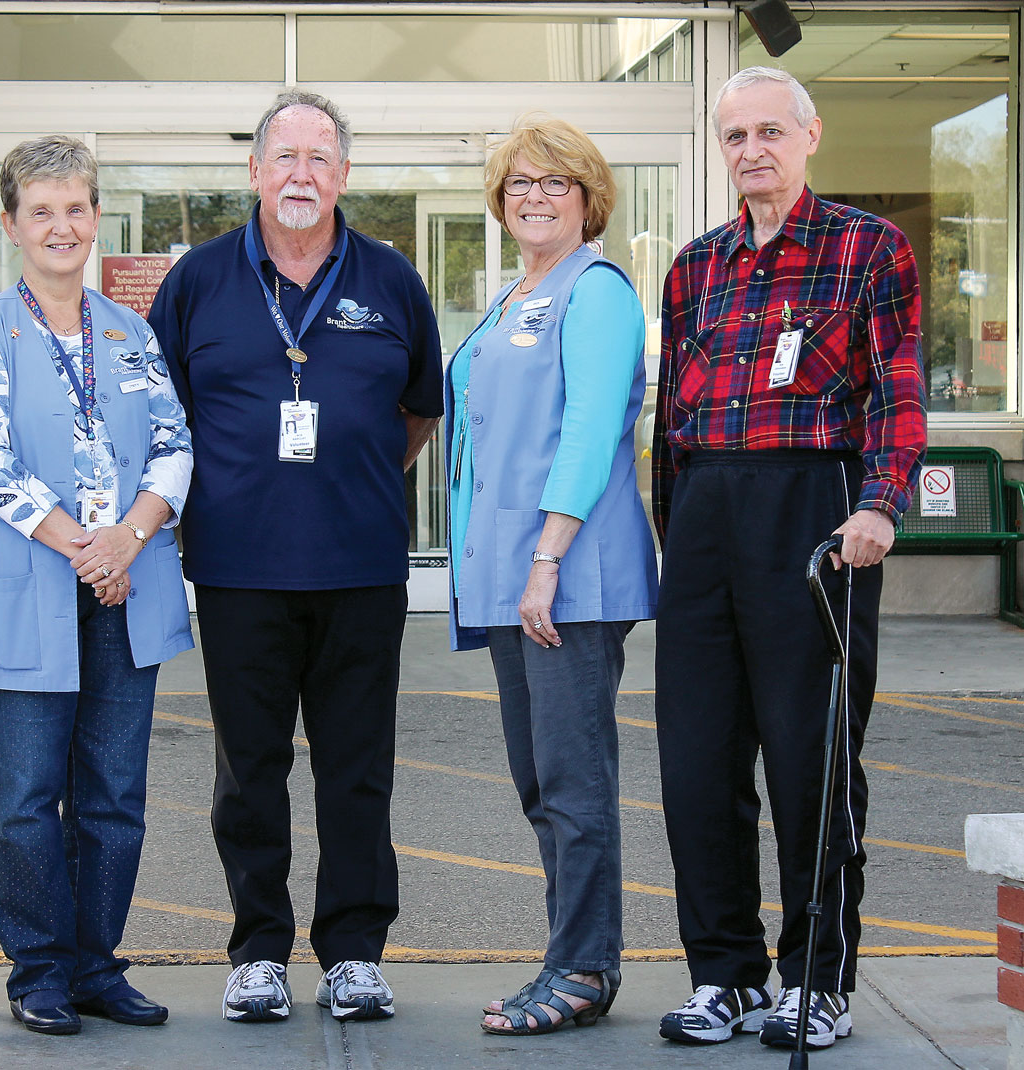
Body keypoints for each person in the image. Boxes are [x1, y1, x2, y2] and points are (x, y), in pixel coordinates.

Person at [147, 90, 443, 1024]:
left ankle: (353, 953)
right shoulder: (196, 281)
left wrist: (345, 479)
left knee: (358, 768)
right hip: (238, 571)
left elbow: (419, 414)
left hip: (360, 569)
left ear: (345, 176)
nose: (302, 175)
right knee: (251, 769)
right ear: (255, 172)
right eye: (286, 157)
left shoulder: (391, 280)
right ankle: (258, 951)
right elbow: (167, 421)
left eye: (321, 158)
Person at [651, 67, 926, 1051]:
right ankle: (723, 974)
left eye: (770, 130)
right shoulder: (695, 266)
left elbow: (897, 389)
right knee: (696, 765)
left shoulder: (867, 248)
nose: (751, 150)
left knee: (810, 763)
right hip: (704, 520)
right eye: (734, 136)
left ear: (810, 135)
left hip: (812, 514)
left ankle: (818, 979)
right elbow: (670, 423)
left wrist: (880, 503)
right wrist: (672, 533)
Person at [0, 135, 193, 1037]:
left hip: (125, 589)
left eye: (75, 209)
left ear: (96, 220)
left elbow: (174, 444)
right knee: (25, 797)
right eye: (40, 210)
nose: (60, 226)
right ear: (10, 224)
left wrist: (127, 539)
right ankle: (40, 970)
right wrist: (81, 545)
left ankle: (96, 965)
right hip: (31, 588)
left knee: (114, 795)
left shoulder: (131, 330)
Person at [445, 116, 658, 1037]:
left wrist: (546, 559)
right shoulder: (512, 296)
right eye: (519, 185)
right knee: (539, 781)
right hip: (511, 580)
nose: (533, 198)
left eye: (554, 184)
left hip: (564, 578)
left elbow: (590, 427)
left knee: (573, 783)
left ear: (588, 199)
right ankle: (567, 957)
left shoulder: (597, 289)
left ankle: (582, 970)